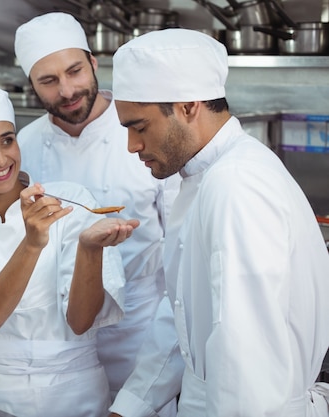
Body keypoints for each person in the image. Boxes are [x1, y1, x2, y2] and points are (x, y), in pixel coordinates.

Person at [111, 28, 329, 416]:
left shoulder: (236, 186)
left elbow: (248, 364)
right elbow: (185, 318)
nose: (132, 146)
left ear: (188, 106)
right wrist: (130, 406)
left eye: (139, 127)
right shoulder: (205, 176)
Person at [0, 85, 138, 417]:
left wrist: (89, 249)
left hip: (80, 392)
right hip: (0, 397)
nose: (1, 159)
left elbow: (81, 322)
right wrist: (32, 243)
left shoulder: (73, 200)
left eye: (7, 140)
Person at [14, 12, 181, 416]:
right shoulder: (24, 146)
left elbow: (181, 245)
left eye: (74, 71)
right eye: (48, 81)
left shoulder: (146, 130)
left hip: (142, 330)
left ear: (93, 63)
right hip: (61, 341)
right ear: (31, 85)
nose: (67, 90)